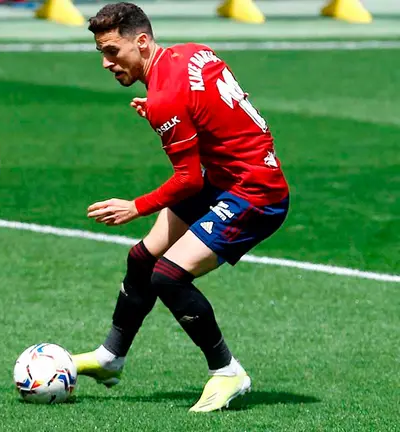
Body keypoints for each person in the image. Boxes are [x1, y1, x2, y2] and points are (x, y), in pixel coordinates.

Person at [71, 2, 290, 412]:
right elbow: (212, 104)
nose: (105, 62)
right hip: (226, 178)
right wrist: (164, 110)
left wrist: (134, 206)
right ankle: (110, 358)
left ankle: (227, 372)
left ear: (142, 41)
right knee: (142, 258)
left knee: (168, 276)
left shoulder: (166, 98)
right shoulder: (190, 52)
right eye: (101, 52)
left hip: (255, 192)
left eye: (112, 52)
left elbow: (187, 179)